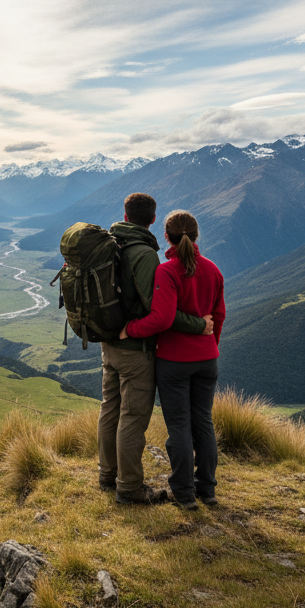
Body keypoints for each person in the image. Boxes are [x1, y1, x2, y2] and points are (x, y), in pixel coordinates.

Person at [100, 193, 213, 506]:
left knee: (110, 409)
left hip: (109, 343)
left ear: (124, 215)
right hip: (136, 348)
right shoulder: (146, 255)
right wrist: (200, 326)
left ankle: (107, 475)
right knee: (133, 417)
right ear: (152, 219)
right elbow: (160, 314)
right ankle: (130, 488)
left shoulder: (112, 242)